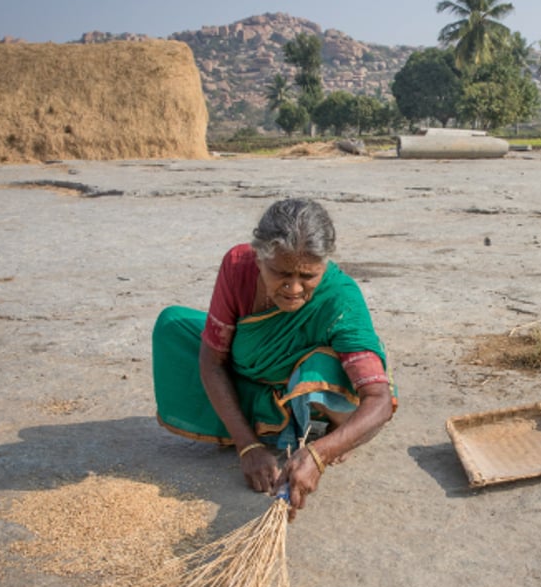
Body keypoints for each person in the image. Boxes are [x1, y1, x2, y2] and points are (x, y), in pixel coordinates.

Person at [152, 198, 395, 519]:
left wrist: (320, 453)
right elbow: (212, 361)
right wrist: (248, 446)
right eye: (280, 273)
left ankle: (337, 427)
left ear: (324, 265)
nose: (294, 289)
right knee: (174, 326)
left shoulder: (341, 299)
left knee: (323, 366)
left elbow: (378, 399)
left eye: (308, 276)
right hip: (250, 373)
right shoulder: (238, 266)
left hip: (306, 383)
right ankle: (263, 426)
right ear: (259, 257)